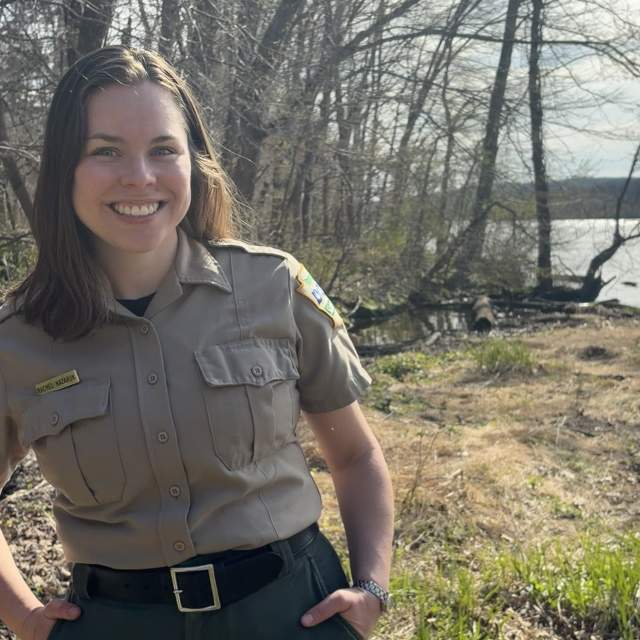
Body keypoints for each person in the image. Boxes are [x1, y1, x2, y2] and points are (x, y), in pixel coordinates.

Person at [0, 46, 393, 640]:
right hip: (116, 624)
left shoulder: (273, 286)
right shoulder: (17, 337)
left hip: (290, 613)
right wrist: (26, 619)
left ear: (194, 164)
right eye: (106, 151)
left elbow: (356, 456)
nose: (140, 177)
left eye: (164, 150)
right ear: (65, 170)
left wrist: (372, 589)